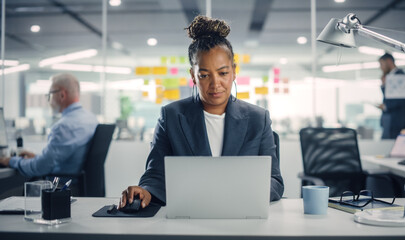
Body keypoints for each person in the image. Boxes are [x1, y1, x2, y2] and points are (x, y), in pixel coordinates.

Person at [119, 15, 284, 209]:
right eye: (204, 75)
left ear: (234, 71)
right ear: (193, 76)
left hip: (241, 213)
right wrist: (145, 190)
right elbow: (155, 174)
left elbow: (275, 181)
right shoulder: (171, 116)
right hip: (190, 212)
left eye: (223, 73)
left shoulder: (258, 118)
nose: (215, 84)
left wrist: (242, 192)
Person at [0, 73, 98, 178]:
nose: (49, 101)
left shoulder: (64, 127)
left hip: (60, 187)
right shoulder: (91, 119)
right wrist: (38, 157)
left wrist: (11, 161)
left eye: (50, 95)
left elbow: (39, 168)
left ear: (62, 95)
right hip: (78, 185)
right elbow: (67, 160)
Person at [377, 53, 405, 139]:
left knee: (392, 146)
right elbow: (389, 97)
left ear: (389, 61)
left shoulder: (399, 76)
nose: (381, 67)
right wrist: (384, 86)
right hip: (391, 120)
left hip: (397, 121)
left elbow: (402, 101)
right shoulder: (390, 77)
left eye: (381, 64)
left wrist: (385, 106)